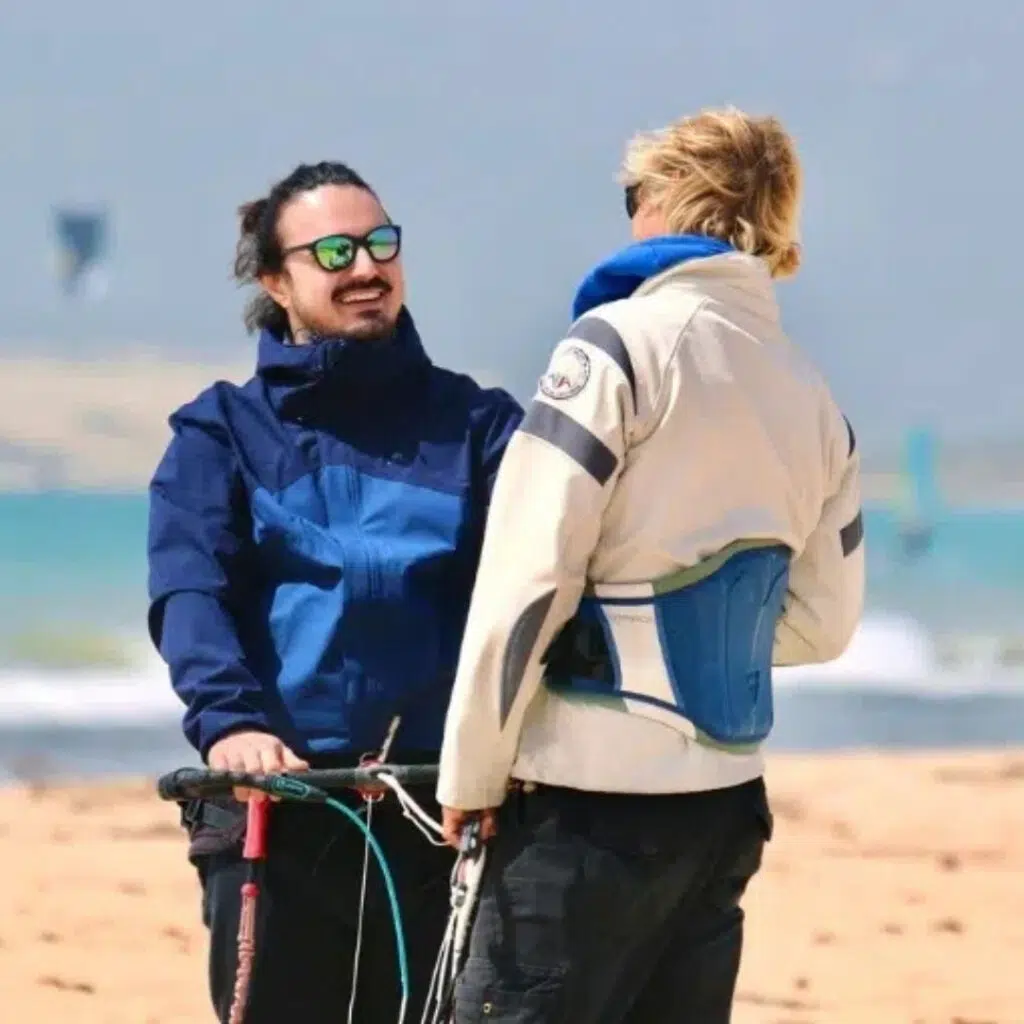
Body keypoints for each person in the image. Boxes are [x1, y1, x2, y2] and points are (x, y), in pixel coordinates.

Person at [436, 107, 865, 1023]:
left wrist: (469, 778)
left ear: (669, 202)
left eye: (632, 195)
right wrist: (699, 649)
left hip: (588, 804)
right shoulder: (813, 396)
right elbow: (826, 626)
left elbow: (525, 586)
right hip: (723, 810)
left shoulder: (614, 348)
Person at [146, 160, 523, 1024]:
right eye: (335, 251)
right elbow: (187, 591)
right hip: (276, 804)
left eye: (381, 243)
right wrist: (229, 721)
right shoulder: (220, 432)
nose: (366, 267)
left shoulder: (480, 426)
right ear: (278, 282)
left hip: (443, 807)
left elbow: (540, 588)